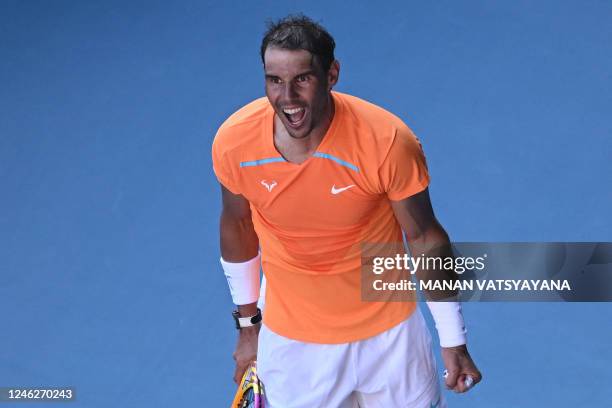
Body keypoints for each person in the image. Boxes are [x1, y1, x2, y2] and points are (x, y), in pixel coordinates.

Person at [212, 14, 482, 407]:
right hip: (294, 344)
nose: (287, 98)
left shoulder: (385, 141)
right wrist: (248, 327)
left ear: (332, 74)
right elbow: (237, 226)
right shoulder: (235, 143)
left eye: (302, 79)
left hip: (392, 339)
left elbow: (424, 238)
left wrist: (452, 337)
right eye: (275, 80)